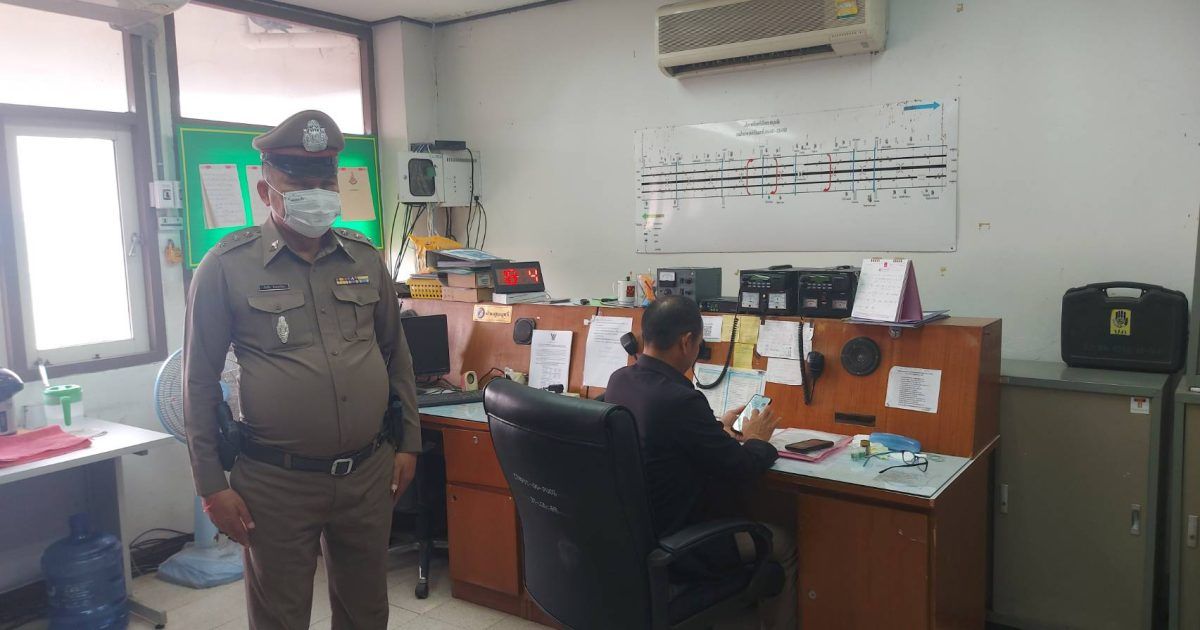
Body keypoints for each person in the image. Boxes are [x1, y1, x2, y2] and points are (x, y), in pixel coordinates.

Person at [183, 110, 422, 629]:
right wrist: (210, 484)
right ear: (266, 190)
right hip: (275, 481)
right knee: (281, 616)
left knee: (366, 612)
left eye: (325, 184)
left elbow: (396, 354)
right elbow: (197, 382)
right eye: (299, 184)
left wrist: (408, 443)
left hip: (368, 472)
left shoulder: (364, 258)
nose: (316, 195)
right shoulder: (225, 266)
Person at [604, 295, 797, 629]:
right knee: (784, 543)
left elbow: (667, 437)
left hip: (636, 539)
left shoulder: (619, 380)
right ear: (686, 341)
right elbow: (743, 470)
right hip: (684, 545)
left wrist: (715, 428)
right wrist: (756, 439)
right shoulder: (681, 400)